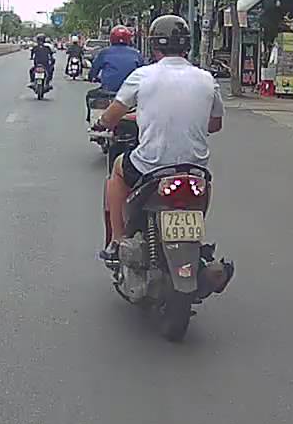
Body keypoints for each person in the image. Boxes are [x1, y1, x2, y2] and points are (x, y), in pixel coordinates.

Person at [93, 15, 225, 262]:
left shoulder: (142, 76)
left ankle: (117, 241)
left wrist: (101, 123)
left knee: (117, 173)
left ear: (154, 45)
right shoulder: (207, 79)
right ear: (187, 46)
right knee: (203, 186)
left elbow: (111, 117)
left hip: (150, 166)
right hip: (194, 168)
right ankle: (194, 240)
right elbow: (215, 124)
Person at [88, 25, 145, 97]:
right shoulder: (136, 53)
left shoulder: (104, 53)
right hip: (130, 92)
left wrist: (91, 77)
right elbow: (144, 72)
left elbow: (94, 69)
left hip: (108, 91)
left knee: (90, 96)